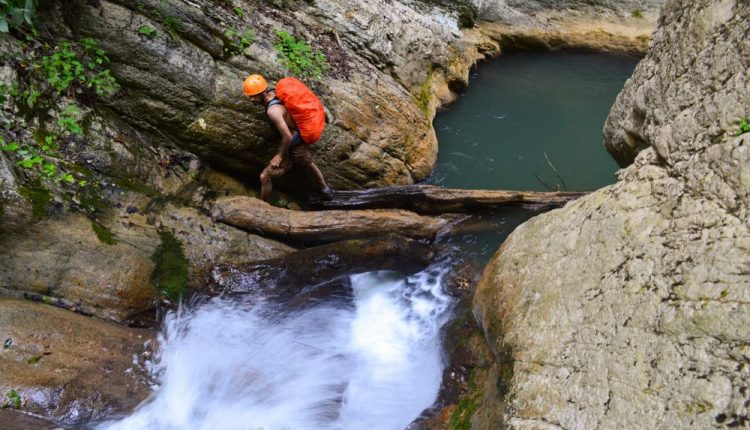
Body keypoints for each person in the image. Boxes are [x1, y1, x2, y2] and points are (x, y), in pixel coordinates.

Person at [243, 74, 332, 202]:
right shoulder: (274, 93)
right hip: (298, 136)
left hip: (294, 144)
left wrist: (280, 155)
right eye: (249, 96)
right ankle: (325, 190)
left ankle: (263, 206)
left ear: (262, 93)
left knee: (265, 176)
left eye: (253, 96)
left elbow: (287, 137)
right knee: (308, 165)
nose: (251, 100)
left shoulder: (272, 111)